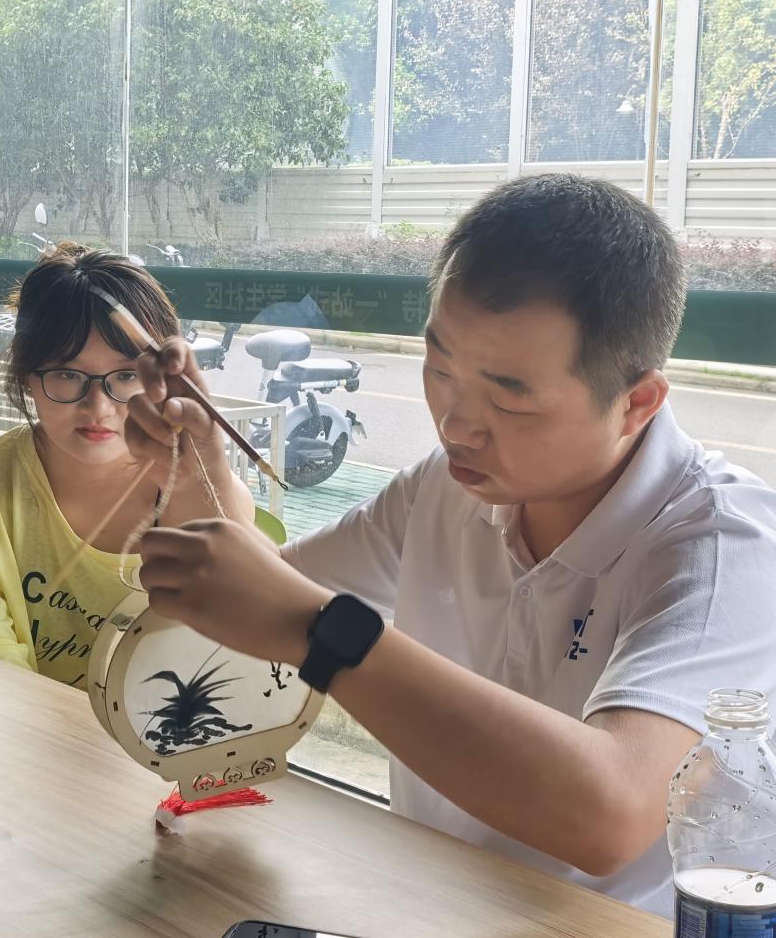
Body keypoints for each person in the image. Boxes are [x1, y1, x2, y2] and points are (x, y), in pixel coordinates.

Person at [126, 174, 776, 917]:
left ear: (636, 403)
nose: (455, 425)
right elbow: (261, 604)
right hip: (427, 904)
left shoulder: (721, 546)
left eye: (507, 398)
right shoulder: (446, 486)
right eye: (439, 370)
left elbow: (613, 812)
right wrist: (199, 469)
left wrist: (324, 633)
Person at [0, 242, 254, 689]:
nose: (98, 407)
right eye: (67, 374)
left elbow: (240, 669)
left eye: (127, 375)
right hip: (24, 730)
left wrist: (206, 477)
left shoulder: (207, 494)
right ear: (26, 375)